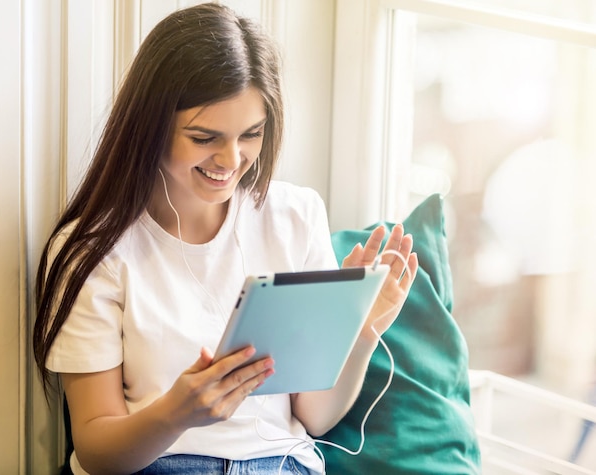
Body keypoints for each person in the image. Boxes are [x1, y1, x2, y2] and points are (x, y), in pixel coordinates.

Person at [33, 3, 419, 474]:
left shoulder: (294, 215)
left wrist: (361, 331)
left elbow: (315, 417)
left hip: (281, 464)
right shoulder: (95, 251)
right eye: (203, 138)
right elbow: (96, 450)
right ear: (151, 127)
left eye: (251, 134)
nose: (231, 160)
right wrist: (175, 414)